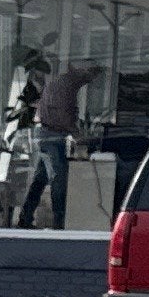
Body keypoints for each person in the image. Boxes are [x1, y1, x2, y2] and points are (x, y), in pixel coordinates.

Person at [32, 56, 104, 226]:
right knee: (59, 179)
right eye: (91, 77)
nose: (90, 81)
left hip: (46, 134)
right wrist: (78, 135)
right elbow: (64, 116)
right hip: (51, 135)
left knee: (40, 179)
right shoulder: (67, 87)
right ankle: (59, 221)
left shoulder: (64, 84)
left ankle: (25, 218)